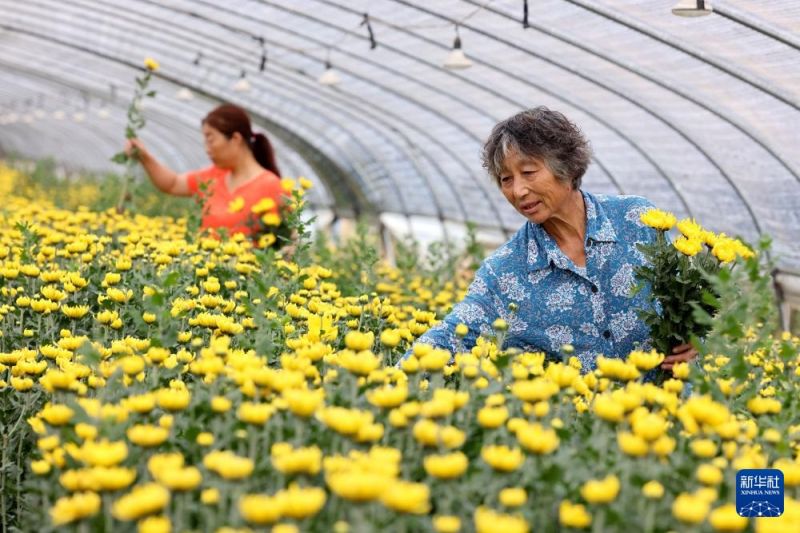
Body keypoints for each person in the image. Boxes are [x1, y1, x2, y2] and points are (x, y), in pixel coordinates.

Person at [411, 107, 697, 374]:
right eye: (505, 179)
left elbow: (686, 303)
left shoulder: (637, 220)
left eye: (528, 172)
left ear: (568, 166)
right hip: (588, 424)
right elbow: (449, 337)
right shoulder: (505, 273)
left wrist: (697, 340)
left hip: (671, 414)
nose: (518, 191)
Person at [125, 103, 285, 240]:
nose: (207, 148)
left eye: (210, 139)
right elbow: (172, 184)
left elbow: (286, 240)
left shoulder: (271, 186)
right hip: (209, 273)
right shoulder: (213, 177)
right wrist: (144, 157)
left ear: (236, 139)